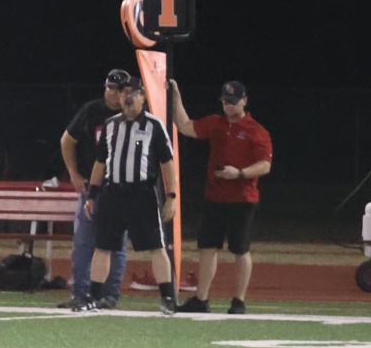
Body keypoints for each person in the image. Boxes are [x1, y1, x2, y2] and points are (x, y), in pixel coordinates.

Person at [168, 79, 272, 314]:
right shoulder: (216, 123)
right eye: (225, 101)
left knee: (240, 249)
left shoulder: (257, 131)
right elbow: (185, 126)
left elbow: (265, 165)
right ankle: (201, 298)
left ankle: (239, 300)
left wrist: (240, 174)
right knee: (207, 247)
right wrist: (176, 96)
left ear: (244, 101)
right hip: (215, 197)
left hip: (243, 199)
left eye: (233, 102)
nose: (228, 106)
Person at [82, 79, 179, 315]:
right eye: (124, 92)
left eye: (134, 93)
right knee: (103, 246)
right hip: (113, 192)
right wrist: (92, 195)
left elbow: (167, 163)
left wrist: (172, 196)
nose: (128, 97)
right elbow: (100, 162)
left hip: (142, 194)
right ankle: (93, 297)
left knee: (156, 246)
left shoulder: (154, 125)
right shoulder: (110, 124)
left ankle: (167, 298)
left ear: (143, 97)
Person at [59, 70, 134, 309]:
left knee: (115, 244)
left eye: (119, 89)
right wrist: (73, 173)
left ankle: (109, 294)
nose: (113, 94)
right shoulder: (92, 111)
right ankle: (81, 293)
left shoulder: (135, 115)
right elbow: (67, 141)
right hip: (94, 187)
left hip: (122, 187)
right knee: (84, 242)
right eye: (110, 88)